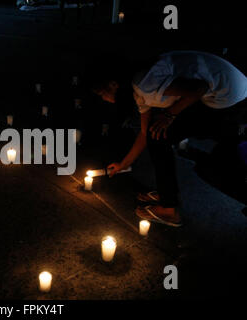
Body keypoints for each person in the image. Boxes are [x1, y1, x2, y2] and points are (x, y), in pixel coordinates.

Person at [92, 50, 247, 227]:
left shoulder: (144, 85)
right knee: (156, 135)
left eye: (102, 94)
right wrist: (124, 164)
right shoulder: (140, 89)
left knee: (161, 136)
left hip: (232, 101)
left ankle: (169, 209)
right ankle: (167, 197)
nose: (104, 99)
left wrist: (169, 115)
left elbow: (198, 89)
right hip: (221, 94)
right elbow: (145, 133)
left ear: (113, 85)